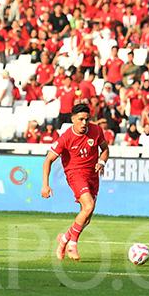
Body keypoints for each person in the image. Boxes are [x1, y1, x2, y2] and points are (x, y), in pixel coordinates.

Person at [41, 104, 110, 261]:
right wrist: (45, 184)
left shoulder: (96, 130)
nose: (84, 123)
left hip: (93, 175)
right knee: (89, 206)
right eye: (81, 119)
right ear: (73, 119)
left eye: (87, 119)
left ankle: (64, 239)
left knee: (86, 217)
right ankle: (72, 244)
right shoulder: (65, 137)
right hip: (75, 175)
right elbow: (48, 160)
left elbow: (105, 149)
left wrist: (102, 161)